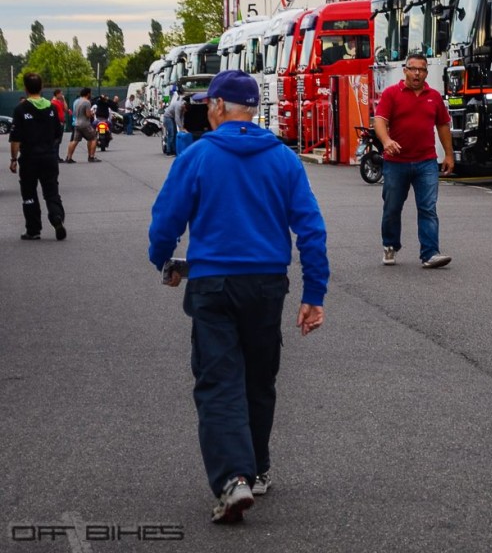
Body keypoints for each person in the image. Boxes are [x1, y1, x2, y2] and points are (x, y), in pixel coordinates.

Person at [148, 69, 329, 526]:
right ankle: (258, 468)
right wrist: (314, 292)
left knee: (218, 379)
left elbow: (166, 219)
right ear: (252, 109)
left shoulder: (198, 155)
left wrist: (164, 260)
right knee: (258, 377)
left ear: (217, 107)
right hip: (267, 284)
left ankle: (233, 479)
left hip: (212, 284)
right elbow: (310, 228)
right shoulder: (284, 158)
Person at [374, 52, 454, 268]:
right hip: (396, 162)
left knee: (428, 207)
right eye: (413, 69)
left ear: (427, 72)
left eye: (422, 69)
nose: (417, 73)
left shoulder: (434, 96)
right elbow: (379, 121)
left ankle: (430, 253)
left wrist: (448, 153)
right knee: (392, 207)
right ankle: (390, 245)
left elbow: (443, 125)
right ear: (405, 70)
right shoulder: (392, 94)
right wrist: (387, 141)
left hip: (426, 161)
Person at [9, 72, 67, 241]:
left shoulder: (20, 109)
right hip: (49, 157)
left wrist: (13, 160)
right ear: (42, 87)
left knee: (29, 193)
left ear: (25, 88)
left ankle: (33, 230)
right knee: (51, 191)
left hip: (29, 158)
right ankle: (56, 216)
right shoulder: (51, 107)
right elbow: (58, 133)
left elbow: (15, 139)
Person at [65, 88, 101, 163]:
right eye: (90, 93)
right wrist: (92, 113)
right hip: (84, 124)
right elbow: (87, 115)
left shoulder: (77, 101)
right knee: (93, 138)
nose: (91, 95)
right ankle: (91, 156)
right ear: (88, 94)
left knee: (74, 141)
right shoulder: (87, 102)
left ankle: (69, 157)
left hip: (76, 123)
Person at [50, 88, 67, 161]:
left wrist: (63, 100)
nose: (62, 95)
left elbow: (65, 109)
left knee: (58, 140)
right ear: (57, 94)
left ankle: (57, 156)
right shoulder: (53, 102)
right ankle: (54, 156)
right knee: (56, 140)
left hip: (61, 122)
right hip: (57, 123)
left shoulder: (59, 102)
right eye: (61, 94)